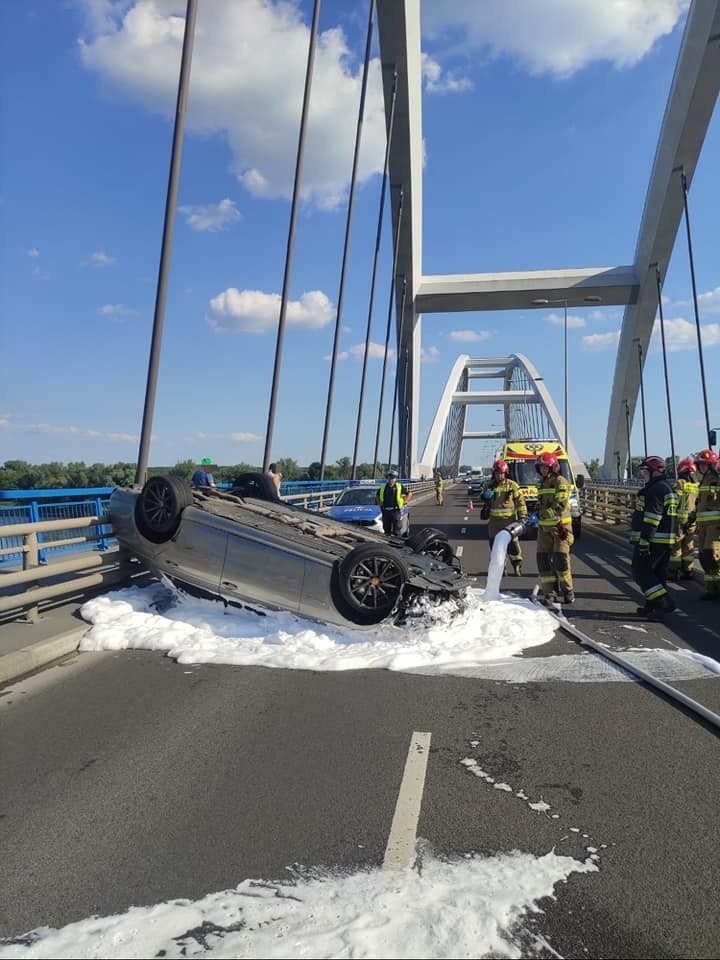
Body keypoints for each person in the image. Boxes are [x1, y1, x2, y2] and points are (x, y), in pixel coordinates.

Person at [630, 455, 678, 621]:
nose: (643, 474)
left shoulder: (655, 489)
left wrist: (644, 541)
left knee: (640, 572)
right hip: (666, 539)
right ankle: (653, 608)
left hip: (654, 540)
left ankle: (664, 602)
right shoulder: (667, 487)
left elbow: (652, 518)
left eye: (645, 471)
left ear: (654, 471)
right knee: (656, 575)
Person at [535, 452, 575, 604]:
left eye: (545, 467)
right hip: (544, 530)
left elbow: (560, 504)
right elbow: (541, 504)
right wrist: (536, 514)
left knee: (560, 560)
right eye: (541, 468)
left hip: (560, 528)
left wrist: (545, 514)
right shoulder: (541, 484)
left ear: (553, 467)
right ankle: (549, 593)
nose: (543, 470)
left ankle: (568, 590)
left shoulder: (561, 481)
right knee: (543, 561)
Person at [483, 458, 527, 575]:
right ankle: (501, 567)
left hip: (510, 522)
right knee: (496, 547)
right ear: (494, 474)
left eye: (502, 473)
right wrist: (484, 497)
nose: (500, 476)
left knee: (513, 547)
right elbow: (481, 498)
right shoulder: (489, 485)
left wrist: (523, 517)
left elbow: (520, 502)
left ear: (505, 473)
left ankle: (517, 565)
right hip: (494, 524)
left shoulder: (512, 486)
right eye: (497, 473)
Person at [694, 448, 720, 601]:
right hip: (704, 526)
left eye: (705, 464)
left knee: (713, 557)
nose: (702, 467)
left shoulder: (716, 479)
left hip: (715, 526)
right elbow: (701, 503)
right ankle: (712, 589)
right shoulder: (704, 480)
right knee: (704, 557)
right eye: (700, 464)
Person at [667, 457, 699, 581]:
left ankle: (673, 571)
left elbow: (674, 500)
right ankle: (688, 570)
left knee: (676, 546)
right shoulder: (696, 485)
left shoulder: (680, 483)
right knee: (689, 546)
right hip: (692, 520)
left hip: (680, 520)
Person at [376, 470, 413, 536]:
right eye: (389, 478)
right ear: (387, 478)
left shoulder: (399, 486)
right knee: (386, 530)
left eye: (393, 478)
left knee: (397, 529)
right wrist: (380, 504)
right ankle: (387, 544)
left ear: (395, 479)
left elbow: (409, 494)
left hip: (396, 511)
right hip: (385, 511)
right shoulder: (383, 487)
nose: (391, 480)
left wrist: (405, 502)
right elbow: (377, 496)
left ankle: (397, 543)